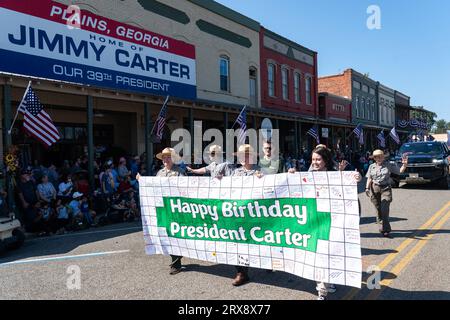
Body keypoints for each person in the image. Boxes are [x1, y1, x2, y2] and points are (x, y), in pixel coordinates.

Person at [289, 146, 361, 300]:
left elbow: (347, 186)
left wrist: (355, 177)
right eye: (313, 159)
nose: (315, 162)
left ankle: (329, 281)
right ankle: (322, 290)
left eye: (318, 159)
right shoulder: (308, 175)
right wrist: (291, 175)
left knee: (331, 253)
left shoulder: (334, 174)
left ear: (325, 160)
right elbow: (296, 186)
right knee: (318, 254)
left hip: (332, 221)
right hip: (314, 222)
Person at [219, 144, 263, 286]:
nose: (243, 158)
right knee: (239, 242)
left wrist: (262, 179)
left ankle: (268, 261)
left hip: (256, 213)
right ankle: (241, 272)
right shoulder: (235, 173)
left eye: (246, 155)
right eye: (241, 155)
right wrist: (220, 180)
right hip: (239, 214)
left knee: (260, 239)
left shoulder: (261, 171)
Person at [155, 148, 185, 275]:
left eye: (168, 157)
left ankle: (175, 263)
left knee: (176, 234)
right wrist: (142, 180)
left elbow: (185, 189)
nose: (165, 160)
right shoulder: (159, 173)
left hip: (176, 208)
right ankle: (175, 260)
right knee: (168, 234)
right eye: (164, 158)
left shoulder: (179, 172)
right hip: (164, 208)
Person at [365, 149, 408, 238]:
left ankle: (386, 229)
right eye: (376, 157)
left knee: (384, 208)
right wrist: (367, 188)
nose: (378, 158)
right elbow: (369, 178)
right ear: (374, 158)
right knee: (378, 209)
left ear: (383, 157)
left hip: (385, 188)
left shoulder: (389, 165)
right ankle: (382, 226)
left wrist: (404, 165)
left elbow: (400, 171)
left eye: (380, 156)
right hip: (374, 188)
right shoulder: (371, 166)